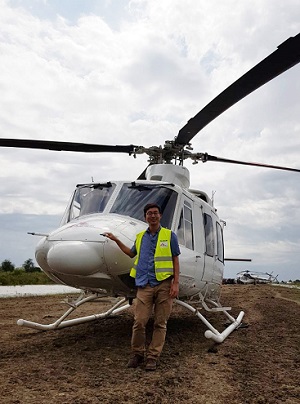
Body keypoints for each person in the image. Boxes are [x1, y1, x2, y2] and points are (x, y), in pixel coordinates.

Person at [104, 203, 180, 371]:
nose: (152, 216)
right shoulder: (140, 237)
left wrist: (175, 283)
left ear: (160, 216)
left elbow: (175, 259)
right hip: (144, 285)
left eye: (155, 213)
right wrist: (116, 239)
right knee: (139, 322)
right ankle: (137, 354)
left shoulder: (169, 236)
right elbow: (131, 253)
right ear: (145, 217)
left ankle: (153, 357)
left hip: (164, 284)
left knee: (160, 323)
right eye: (149, 214)